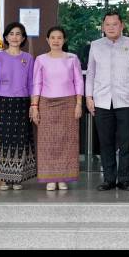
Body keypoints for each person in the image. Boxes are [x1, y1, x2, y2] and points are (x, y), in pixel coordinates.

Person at [86, 11, 129, 191]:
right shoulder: (95, 46)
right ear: (103, 27)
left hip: (126, 99)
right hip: (102, 100)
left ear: (122, 26)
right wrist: (89, 97)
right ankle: (109, 179)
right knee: (106, 142)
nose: (111, 27)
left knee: (127, 142)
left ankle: (125, 179)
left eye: (114, 24)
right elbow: (90, 73)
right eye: (107, 24)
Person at [32, 26, 84, 191]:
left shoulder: (72, 58)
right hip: (46, 103)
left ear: (64, 40)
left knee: (67, 141)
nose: (56, 41)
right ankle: (50, 178)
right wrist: (34, 106)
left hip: (69, 103)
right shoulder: (40, 59)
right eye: (52, 37)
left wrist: (78, 104)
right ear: (47, 40)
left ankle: (63, 177)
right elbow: (36, 84)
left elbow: (78, 82)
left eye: (59, 37)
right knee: (47, 142)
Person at [0, 22, 36, 191]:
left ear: (23, 38)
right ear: (6, 37)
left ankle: (17, 178)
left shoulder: (29, 58)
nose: (15, 37)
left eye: (18, 34)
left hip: (23, 103)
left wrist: (33, 104)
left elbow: (31, 83)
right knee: (3, 140)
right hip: (3, 102)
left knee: (20, 139)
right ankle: (3, 178)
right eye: (12, 34)